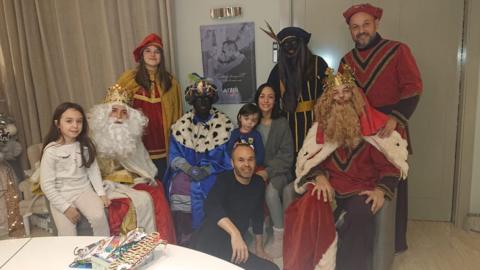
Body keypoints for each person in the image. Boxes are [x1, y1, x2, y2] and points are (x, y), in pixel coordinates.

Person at [283, 66, 409, 270]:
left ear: (355, 95)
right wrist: (320, 178)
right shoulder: (320, 129)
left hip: (360, 190)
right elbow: (310, 162)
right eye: (335, 93)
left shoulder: (373, 130)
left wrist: (380, 190)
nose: (341, 98)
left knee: (361, 213)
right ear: (328, 99)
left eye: (346, 91)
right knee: (309, 204)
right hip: (330, 188)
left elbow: (390, 166)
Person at [339, 3, 423, 252]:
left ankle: (394, 243)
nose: (361, 31)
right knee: (362, 183)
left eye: (365, 24)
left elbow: (413, 87)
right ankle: (358, 238)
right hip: (360, 131)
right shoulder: (346, 61)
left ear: (376, 24)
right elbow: (343, 97)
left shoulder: (398, 50)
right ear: (350, 31)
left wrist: (396, 118)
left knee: (392, 182)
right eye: (355, 27)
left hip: (391, 128)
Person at [89, 84, 176, 242]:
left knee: (156, 192)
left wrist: (142, 177)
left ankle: (161, 244)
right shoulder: (92, 137)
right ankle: (126, 247)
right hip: (103, 186)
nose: (119, 116)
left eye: (124, 113)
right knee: (128, 204)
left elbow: (143, 166)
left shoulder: (131, 137)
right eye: (114, 111)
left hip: (132, 182)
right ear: (105, 114)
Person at [165, 77, 233, 245]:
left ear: (212, 101)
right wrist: (188, 169)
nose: (202, 102)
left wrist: (207, 170)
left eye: (206, 99)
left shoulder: (223, 125)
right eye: (198, 99)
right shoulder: (181, 125)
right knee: (180, 186)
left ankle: (211, 233)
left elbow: (226, 158)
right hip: (186, 171)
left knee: (209, 186)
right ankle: (186, 235)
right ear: (192, 102)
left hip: (215, 171)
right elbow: (174, 156)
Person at [191, 143, 279, 270]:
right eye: (241, 160)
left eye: (250, 159)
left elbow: (257, 215)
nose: (247, 165)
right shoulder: (224, 180)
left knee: (272, 268)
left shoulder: (259, 183)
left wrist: (259, 249)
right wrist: (235, 233)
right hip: (210, 238)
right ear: (232, 163)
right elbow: (211, 205)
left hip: (234, 245)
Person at [116, 33, 183, 180]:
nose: (153, 54)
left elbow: (178, 117)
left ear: (161, 56)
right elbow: (114, 110)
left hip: (163, 148)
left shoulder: (171, 83)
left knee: (163, 185)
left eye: (157, 51)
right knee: (142, 187)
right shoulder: (128, 79)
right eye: (148, 50)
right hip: (137, 147)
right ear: (141, 54)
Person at [40, 102, 110, 236]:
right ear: (57, 124)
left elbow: (93, 170)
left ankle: (103, 249)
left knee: (99, 217)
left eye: (79, 121)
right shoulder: (51, 151)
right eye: (69, 121)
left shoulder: (85, 146)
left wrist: (101, 193)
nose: (75, 125)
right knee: (67, 233)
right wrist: (65, 208)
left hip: (83, 189)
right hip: (61, 193)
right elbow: (46, 185)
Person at [263, 25, 328, 153]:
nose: (290, 47)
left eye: (293, 43)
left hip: (315, 122)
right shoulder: (278, 70)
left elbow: (329, 93)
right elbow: (270, 97)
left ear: (302, 44)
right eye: (286, 44)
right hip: (287, 125)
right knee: (289, 158)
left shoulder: (317, 64)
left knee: (313, 158)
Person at [253, 83, 294, 258]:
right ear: (257, 99)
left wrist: (267, 172)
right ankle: (259, 234)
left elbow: (287, 156)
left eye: (270, 96)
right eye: (262, 96)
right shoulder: (251, 121)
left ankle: (279, 239)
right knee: (251, 192)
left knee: (270, 193)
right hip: (255, 171)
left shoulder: (281, 123)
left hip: (280, 172)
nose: (266, 100)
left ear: (275, 100)